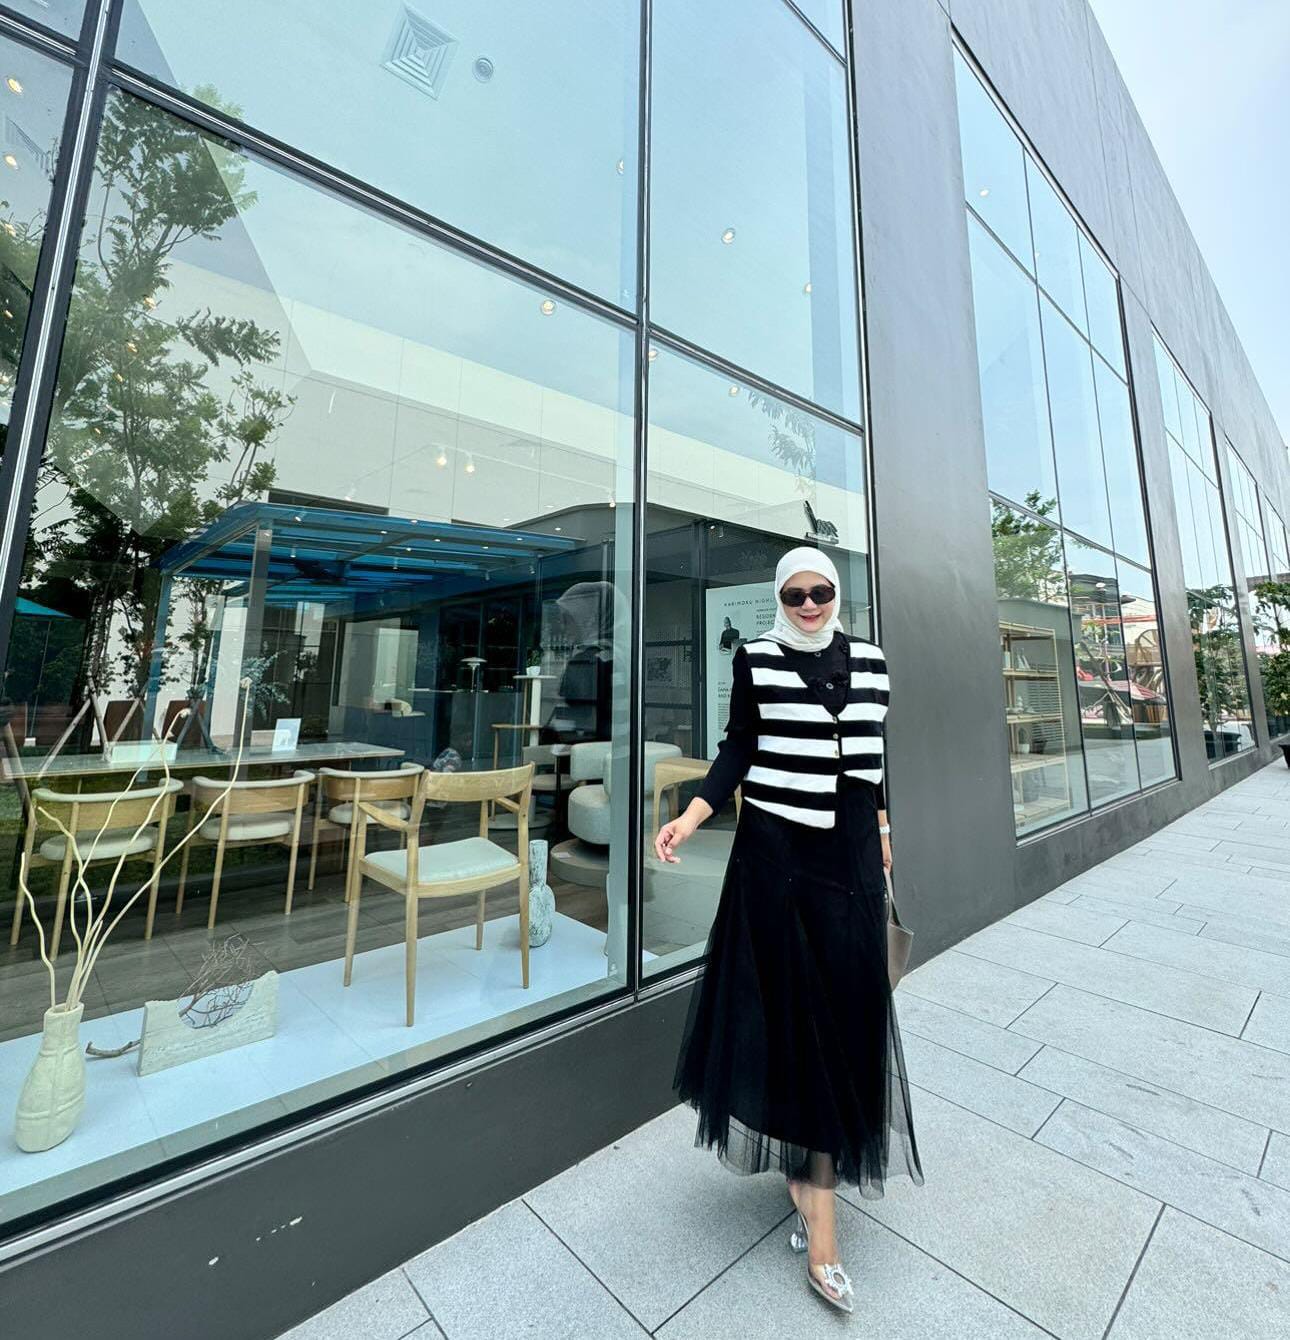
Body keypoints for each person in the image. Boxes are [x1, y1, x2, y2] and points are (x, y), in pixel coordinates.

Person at [655, 547, 923, 1313]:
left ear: (837, 593)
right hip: (777, 860)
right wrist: (691, 817)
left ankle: (810, 1179)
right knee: (796, 1020)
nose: (809, 605)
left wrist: (882, 829)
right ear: (780, 597)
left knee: (847, 1017)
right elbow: (738, 747)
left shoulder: (871, 662)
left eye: (821, 592)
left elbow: (873, 755)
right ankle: (822, 1221)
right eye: (796, 594)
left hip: (850, 859)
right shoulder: (759, 659)